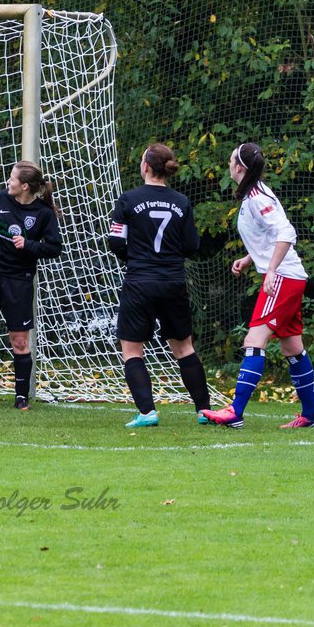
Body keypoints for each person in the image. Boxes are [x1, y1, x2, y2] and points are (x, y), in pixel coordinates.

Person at [202, 142, 314, 429]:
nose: (228, 163)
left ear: (239, 167)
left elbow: (285, 232)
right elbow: (268, 236)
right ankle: (311, 415)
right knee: (292, 347)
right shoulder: (253, 194)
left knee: (253, 341)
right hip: (289, 276)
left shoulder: (256, 197)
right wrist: (249, 258)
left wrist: (270, 270)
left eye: (231, 159)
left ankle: (235, 412)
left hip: (283, 277)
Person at [106, 144, 212, 427]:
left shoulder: (128, 200)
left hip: (140, 281)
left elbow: (115, 241)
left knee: (131, 349)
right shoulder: (181, 201)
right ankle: (204, 410)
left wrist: (136, 259)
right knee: (184, 348)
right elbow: (191, 245)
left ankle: (146, 412)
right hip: (172, 281)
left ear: (145, 167)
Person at [0, 160, 63, 410]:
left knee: (19, 341)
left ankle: (21, 397)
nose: (8, 182)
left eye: (12, 178)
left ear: (24, 186)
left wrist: (29, 246)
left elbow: (54, 248)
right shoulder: (0, 200)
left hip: (19, 282)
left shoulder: (43, 214)